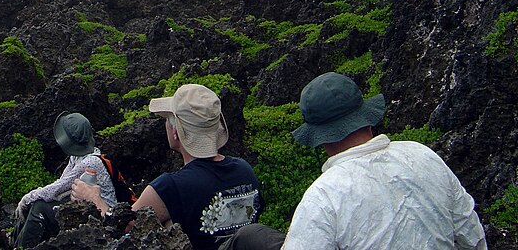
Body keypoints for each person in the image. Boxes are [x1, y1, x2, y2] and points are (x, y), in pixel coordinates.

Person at [234, 71, 488, 249]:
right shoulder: (423, 154)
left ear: (321, 138)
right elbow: (472, 238)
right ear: (364, 116)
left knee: (251, 237)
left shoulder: (325, 195)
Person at [72, 83, 264, 250]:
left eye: (167, 120)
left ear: (175, 134)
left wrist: (93, 199)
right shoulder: (244, 170)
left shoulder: (170, 187)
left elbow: (124, 227)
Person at [12, 111, 118, 249]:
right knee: (37, 203)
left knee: (39, 208)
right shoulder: (78, 157)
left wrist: (27, 198)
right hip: (85, 209)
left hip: (103, 218)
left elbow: (57, 189)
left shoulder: (90, 162)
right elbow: (61, 183)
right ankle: (15, 244)